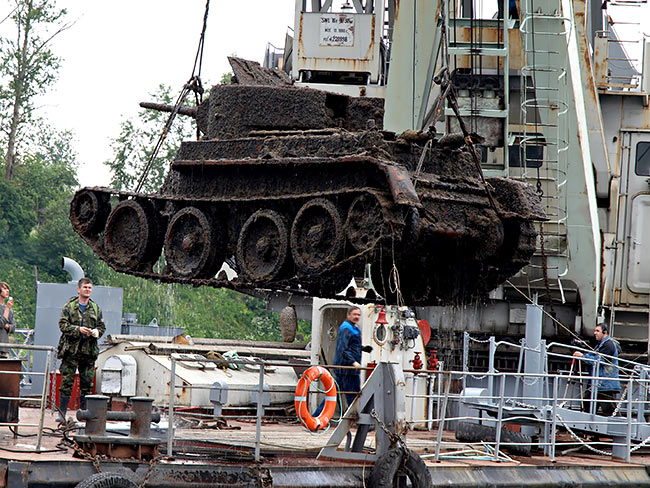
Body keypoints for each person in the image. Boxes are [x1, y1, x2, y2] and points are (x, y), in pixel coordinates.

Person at [56, 278, 105, 422]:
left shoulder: (96, 308)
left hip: (88, 352)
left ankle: (84, 414)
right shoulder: (69, 307)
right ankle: (62, 414)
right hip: (71, 351)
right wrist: (78, 330)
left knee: (87, 384)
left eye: (90, 287)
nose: (88, 289)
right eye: (85, 287)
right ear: (79, 289)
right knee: (66, 383)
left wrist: (96, 332)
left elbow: (102, 327)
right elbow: (62, 325)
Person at [573, 323, 621, 416]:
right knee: (587, 406)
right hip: (597, 383)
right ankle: (585, 427)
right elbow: (594, 356)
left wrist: (583, 356)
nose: (595, 333)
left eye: (597, 331)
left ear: (605, 332)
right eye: (595, 331)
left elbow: (599, 360)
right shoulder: (601, 345)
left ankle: (621, 428)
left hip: (605, 384)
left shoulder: (608, 345)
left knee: (609, 411)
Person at [0, 282, 16, 357]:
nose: (7, 291)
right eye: (4, 288)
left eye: (8, 289)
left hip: (5, 348)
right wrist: (7, 309)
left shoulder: (10, 310)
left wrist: (7, 326)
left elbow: (13, 327)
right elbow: (1, 324)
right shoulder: (7, 308)